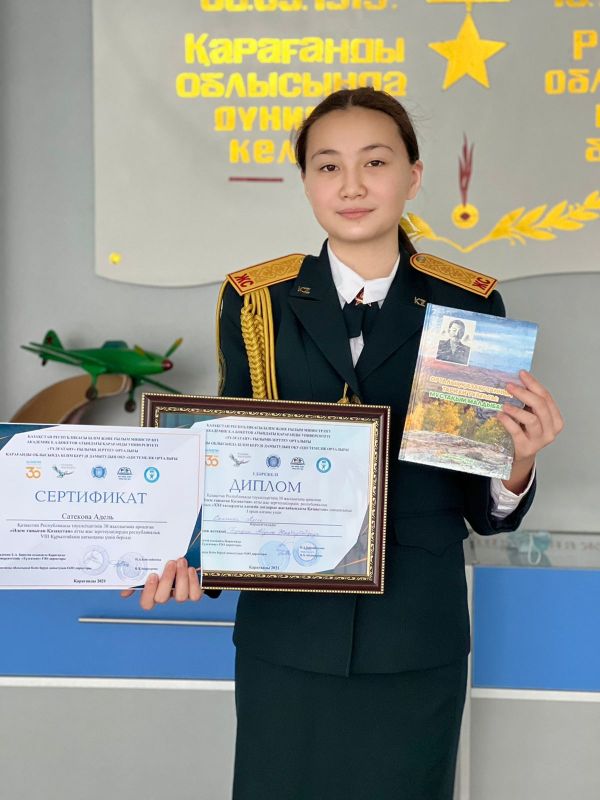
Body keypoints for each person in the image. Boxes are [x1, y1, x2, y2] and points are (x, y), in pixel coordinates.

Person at [123, 88, 563, 799]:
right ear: (306, 181)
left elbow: (480, 508)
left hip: (415, 633)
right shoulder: (255, 301)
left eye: (375, 162)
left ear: (414, 177)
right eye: (328, 166)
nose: (351, 185)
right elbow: (229, 452)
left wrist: (519, 462)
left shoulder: (468, 301)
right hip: (286, 630)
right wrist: (189, 552)